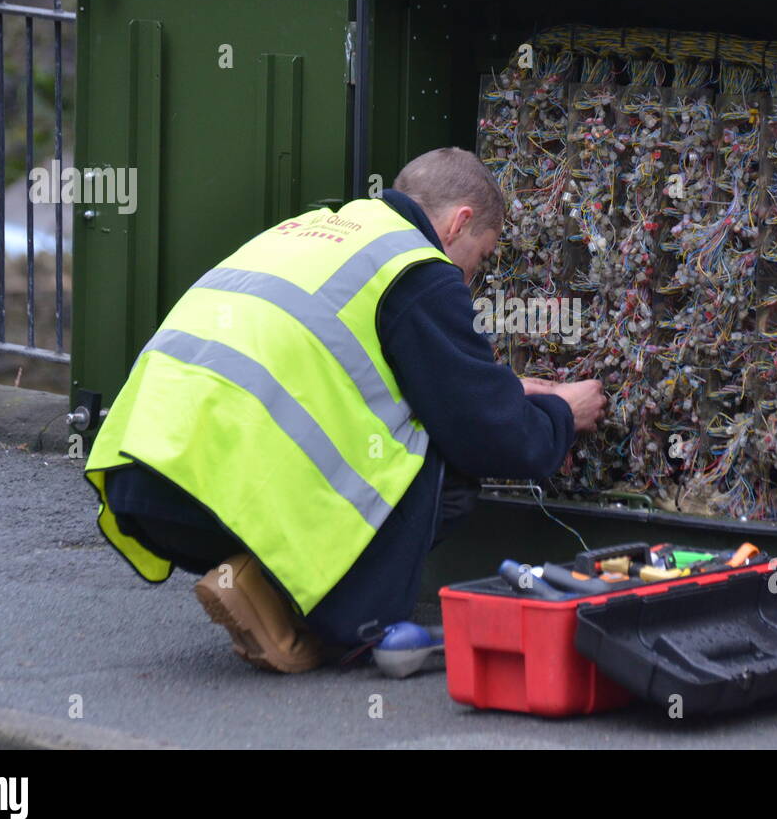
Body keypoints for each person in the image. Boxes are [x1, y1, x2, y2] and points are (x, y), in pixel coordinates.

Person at [84, 147, 605, 672]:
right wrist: (562, 413)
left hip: (148, 476)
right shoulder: (419, 268)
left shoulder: (319, 228)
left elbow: (333, 363)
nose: (472, 275)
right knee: (443, 455)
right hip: (223, 493)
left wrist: (505, 387)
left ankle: (260, 586)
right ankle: (348, 626)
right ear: (458, 223)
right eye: (482, 255)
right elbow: (485, 433)